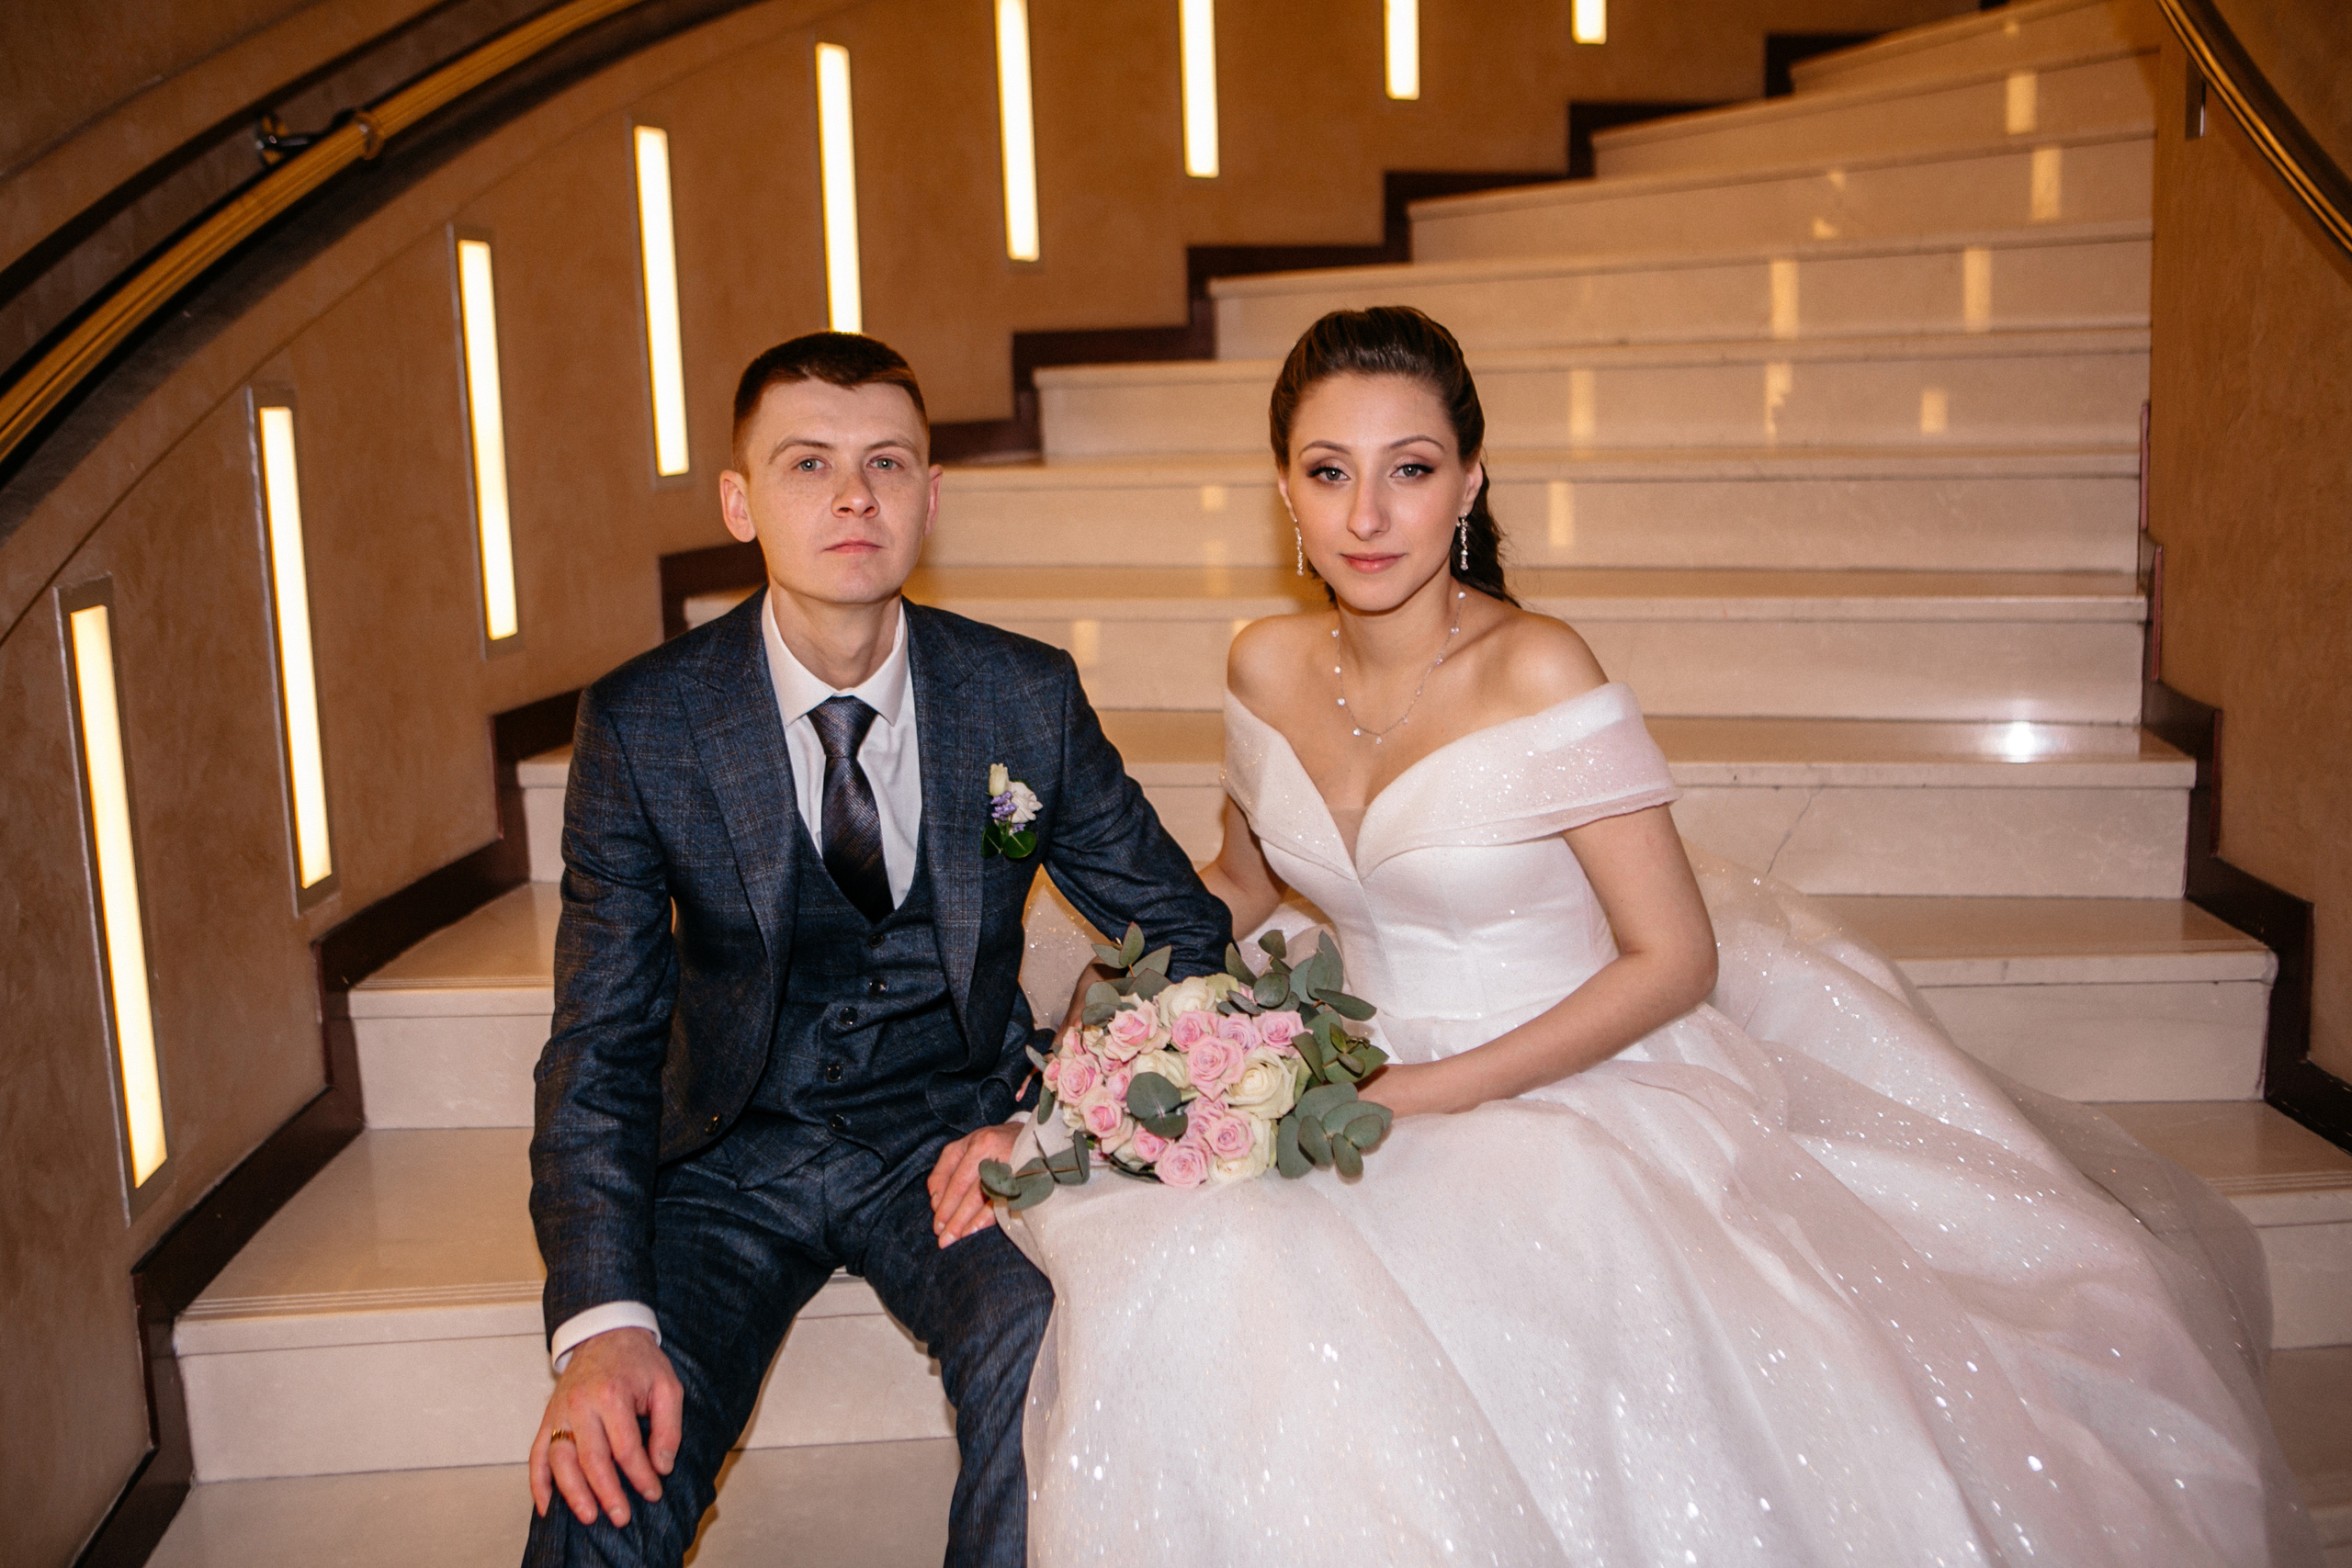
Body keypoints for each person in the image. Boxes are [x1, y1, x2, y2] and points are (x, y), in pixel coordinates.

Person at [1001, 307, 2321, 1567]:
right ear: (1284, 492)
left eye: (1409, 469)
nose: (1366, 514)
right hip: (1346, 1042)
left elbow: (1674, 959)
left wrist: (1436, 1093)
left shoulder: (1542, 669)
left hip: (1561, 1064)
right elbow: (1243, 876)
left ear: (1469, 484)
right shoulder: (1264, 662)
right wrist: (1135, 1001)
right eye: (1328, 470)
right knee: (1207, 1256)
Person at [523, 332, 1233, 1567]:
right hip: (723, 1162)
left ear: (929, 496)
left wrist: (1056, 1120)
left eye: (887, 463)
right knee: (615, 1452)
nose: (854, 497)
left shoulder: (1024, 695)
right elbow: (599, 1040)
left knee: (1046, 1358)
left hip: (945, 1137)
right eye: (808, 464)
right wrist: (597, 1323)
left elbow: (1182, 934)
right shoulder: (645, 723)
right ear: (739, 502)